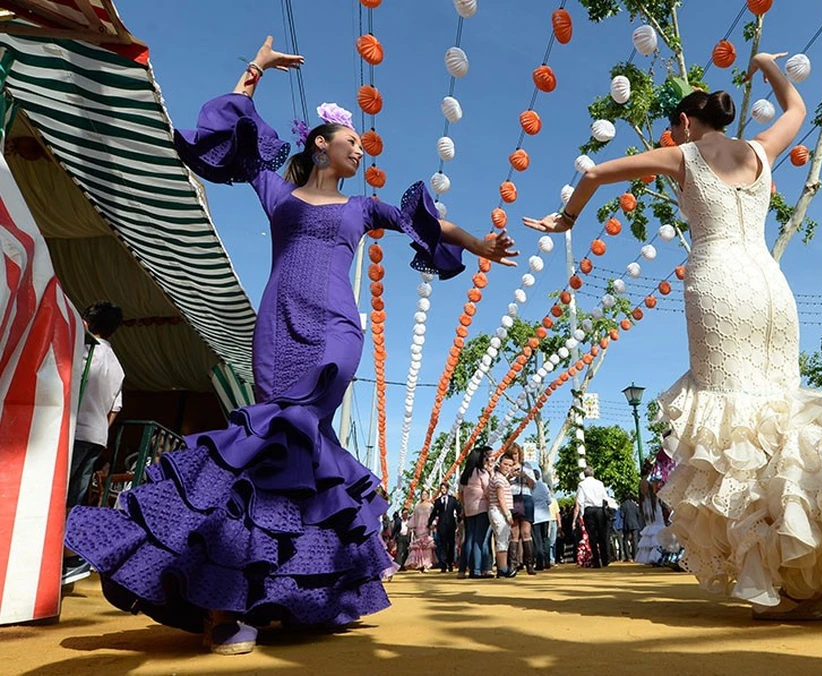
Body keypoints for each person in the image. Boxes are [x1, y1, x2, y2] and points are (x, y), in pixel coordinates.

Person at [63, 37, 518, 655]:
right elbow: (235, 135)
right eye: (351, 137)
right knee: (273, 452)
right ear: (320, 144)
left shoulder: (363, 206)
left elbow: (426, 225)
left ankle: (241, 605)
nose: (360, 145)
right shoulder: (278, 194)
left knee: (293, 431)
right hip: (278, 326)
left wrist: (478, 245)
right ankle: (257, 598)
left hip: (336, 328)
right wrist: (255, 70)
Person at [526, 52, 822, 620]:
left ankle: (788, 579)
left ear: (685, 123)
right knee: (786, 415)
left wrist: (567, 219)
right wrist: (765, 62)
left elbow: (593, 173)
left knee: (735, 429)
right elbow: (799, 106)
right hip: (771, 288)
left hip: (716, 285)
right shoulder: (760, 150)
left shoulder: (683, 152)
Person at [62, 301, 125, 587]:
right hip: (96, 435)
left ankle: (58, 557)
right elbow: (115, 408)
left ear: (86, 322)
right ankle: (69, 557)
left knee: (56, 495)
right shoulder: (117, 365)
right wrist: (100, 429)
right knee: (75, 498)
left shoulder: (82, 351)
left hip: (72, 430)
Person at [458, 446, 493, 578]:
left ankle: (463, 569)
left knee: (469, 540)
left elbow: (460, 493)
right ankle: (477, 570)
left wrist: (465, 505)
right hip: (482, 508)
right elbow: (488, 491)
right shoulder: (481, 473)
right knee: (480, 540)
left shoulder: (465, 474)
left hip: (469, 509)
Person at [572, 467, 610, 568]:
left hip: (589, 511)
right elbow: (605, 498)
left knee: (592, 536)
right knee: (602, 535)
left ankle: (596, 561)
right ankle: (605, 560)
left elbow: (579, 501)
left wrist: (576, 517)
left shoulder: (582, 485)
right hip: (599, 510)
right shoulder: (599, 483)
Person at [508, 445, 537, 575]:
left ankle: (529, 564)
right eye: (512, 454)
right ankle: (513, 564)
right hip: (512, 498)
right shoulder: (506, 467)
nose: (515, 457)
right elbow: (500, 483)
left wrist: (524, 475)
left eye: (516, 454)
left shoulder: (528, 467)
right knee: (514, 533)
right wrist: (510, 475)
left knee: (526, 532)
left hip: (526, 498)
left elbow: (533, 485)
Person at [489, 453, 518, 578]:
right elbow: (501, 498)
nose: (507, 467)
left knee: (503, 540)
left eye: (510, 465)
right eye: (505, 464)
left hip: (497, 511)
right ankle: (502, 569)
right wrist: (508, 515)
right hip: (499, 511)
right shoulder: (499, 479)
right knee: (502, 540)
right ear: (499, 464)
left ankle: (503, 567)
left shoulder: (500, 478)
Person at [428, 481, 461, 572]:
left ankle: (450, 563)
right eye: (441, 488)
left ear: (447, 489)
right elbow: (434, 513)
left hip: (451, 524)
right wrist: (429, 523)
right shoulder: (437, 501)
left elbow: (458, 510)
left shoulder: (453, 499)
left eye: (444, 488)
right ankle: (443, 564)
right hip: (441, 525)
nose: (443, 490)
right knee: (442, 544)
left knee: (451, 544)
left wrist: (459, 520)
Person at [405, 490, 436, 572]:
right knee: (419, 546)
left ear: (428, 495)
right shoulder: (417, 506)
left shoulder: (430, 506)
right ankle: (419, 564)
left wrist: (432, 524)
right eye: (422, 494)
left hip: (426, 527)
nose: (423, 496)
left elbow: (433, 516)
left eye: (425, 494)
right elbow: (414, 517)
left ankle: (426, 564)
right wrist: (411, 526)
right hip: (418, 527)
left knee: (426, 545)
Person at [530, 468, 553, 571]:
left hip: (535, 516)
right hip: (545, 515)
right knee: (545, 538)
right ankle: (547, 561)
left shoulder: (530, 486)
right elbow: (549, 501)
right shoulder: (544, 486)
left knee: (537, 541)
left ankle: (539, 563)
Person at [620, 494, 642, 563]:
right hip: (635, 524)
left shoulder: (623, 505)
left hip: (626, 524)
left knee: (625, 540)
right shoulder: (634, 505)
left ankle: (628, 556)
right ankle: (635, 556)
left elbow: (622, 515)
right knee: (635, 540)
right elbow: (638, 514)